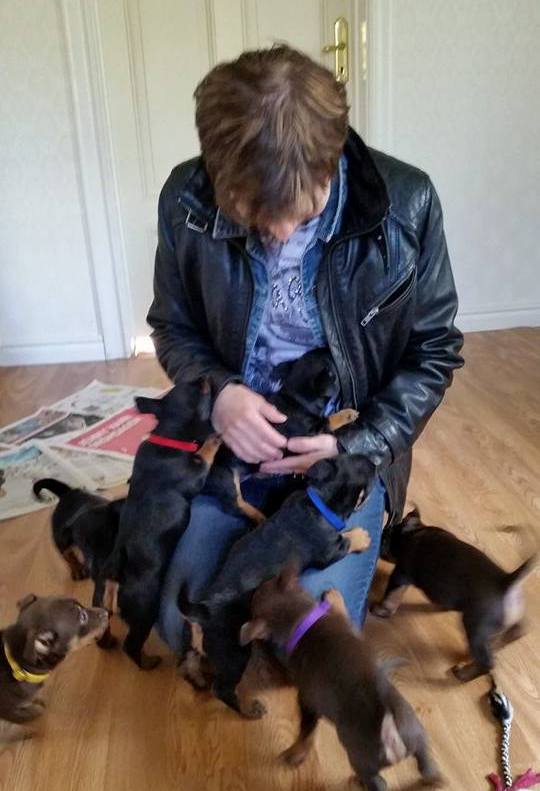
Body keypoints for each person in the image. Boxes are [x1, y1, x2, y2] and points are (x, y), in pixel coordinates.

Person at [147, 46, 464, 651]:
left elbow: (434, 351)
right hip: (237, 447)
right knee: (181, 623)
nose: (282, 233)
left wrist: (353, 444)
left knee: (303, 643)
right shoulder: (186, 201)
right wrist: (220, 395)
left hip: (342, 452)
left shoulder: (408, 203)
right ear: (218, 178)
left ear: (333, 162)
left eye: (302, 212)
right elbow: (172, 327)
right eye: (257, 216)